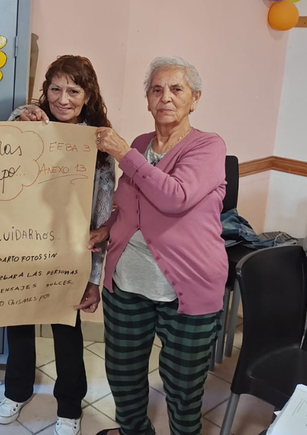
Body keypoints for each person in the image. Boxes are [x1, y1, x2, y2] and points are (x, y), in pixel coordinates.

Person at [92, 56, 228, 435]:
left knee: (182, 386)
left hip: (189, 285)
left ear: (195, 98)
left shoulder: (208, 146)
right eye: (156, 90)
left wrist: (123, 154)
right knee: (123, 372)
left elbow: (175, 197)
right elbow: (129, 206)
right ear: (148, 101)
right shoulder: (139, 144)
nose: (165, 97)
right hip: (128, 282)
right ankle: (134, 430)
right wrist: (106, 229)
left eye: (176, 89)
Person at [0, 55, 115, 435]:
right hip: (21, 248)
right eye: (55, 89)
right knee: (18, 323)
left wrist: (95, 277)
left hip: (70, 255)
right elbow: (2, 147)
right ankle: (17, 390)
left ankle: (69, 405)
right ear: (45, 90)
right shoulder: (29, 124)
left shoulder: (99, 145)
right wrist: (22, 115)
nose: (63, 99)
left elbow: (103, 216)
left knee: (67, 330)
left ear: (88, 95)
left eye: (74, 90)